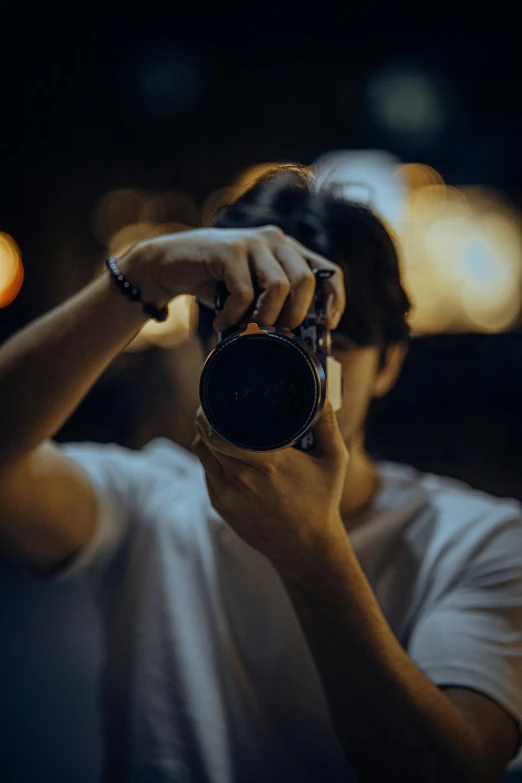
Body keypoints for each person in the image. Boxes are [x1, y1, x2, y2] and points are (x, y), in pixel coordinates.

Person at [0, 166, 520, 783]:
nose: (288, 368)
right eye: (261, 338)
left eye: (324, 341)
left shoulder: (483, 543)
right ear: (208, 352)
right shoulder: (150, 503)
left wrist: (311, 551)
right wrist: (140, 278)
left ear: (389, 365)